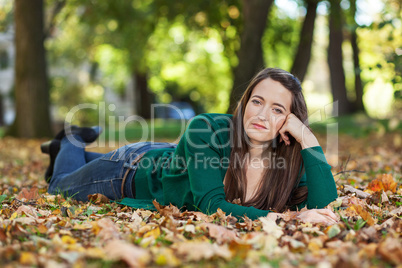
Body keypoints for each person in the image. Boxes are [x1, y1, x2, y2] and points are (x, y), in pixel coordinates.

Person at [41, 68, 338, 223]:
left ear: (290, 119)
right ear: (245, 103)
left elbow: (325, 207)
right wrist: (291, 218)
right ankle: (70, 141)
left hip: (175, 160)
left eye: (276, 109)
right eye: (257, 102)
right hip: (131, 171)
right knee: (59, 186)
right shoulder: (206, 129)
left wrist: (307, 138)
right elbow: (212, 206)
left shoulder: (287, 157)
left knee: (82, 169)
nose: (261, 115)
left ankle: (78, 154)